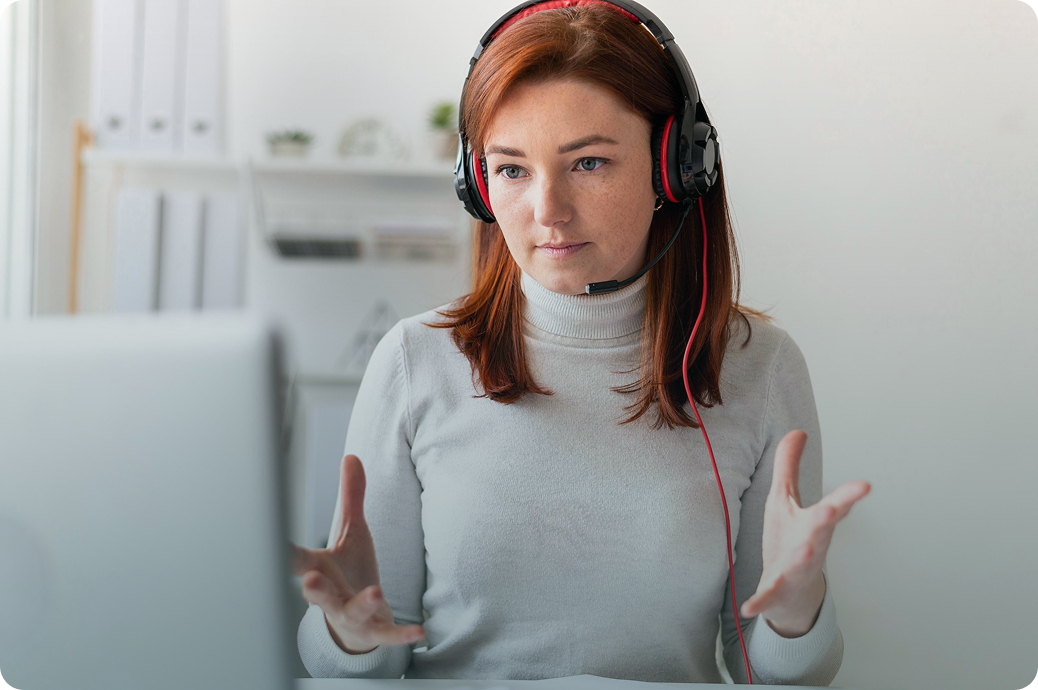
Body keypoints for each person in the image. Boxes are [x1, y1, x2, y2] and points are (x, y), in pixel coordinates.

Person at [292, 1, 871, 684]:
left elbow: (768, 672)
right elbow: (362, 660)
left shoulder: (760, 369)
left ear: (674, 169)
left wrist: (797, 614)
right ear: (476, 183)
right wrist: (347, 633)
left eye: (589, 162)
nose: (548, 211)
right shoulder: (414, 361)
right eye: (512, 169)